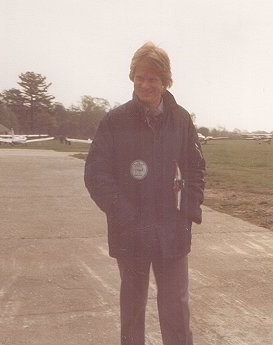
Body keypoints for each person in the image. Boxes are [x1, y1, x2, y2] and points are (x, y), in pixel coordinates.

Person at [84, 42, 206, 345]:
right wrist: (125, 215)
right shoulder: (115, 121)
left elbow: (195, 169)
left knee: (176, 308)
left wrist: (187, 213)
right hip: (131, 232)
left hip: (172, 231)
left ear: (165, 81)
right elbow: (96, 175)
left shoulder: (181, 120)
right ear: (132, 78)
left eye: (153, 78)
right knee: (133, 311)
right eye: (139, 77)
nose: (145, 85)